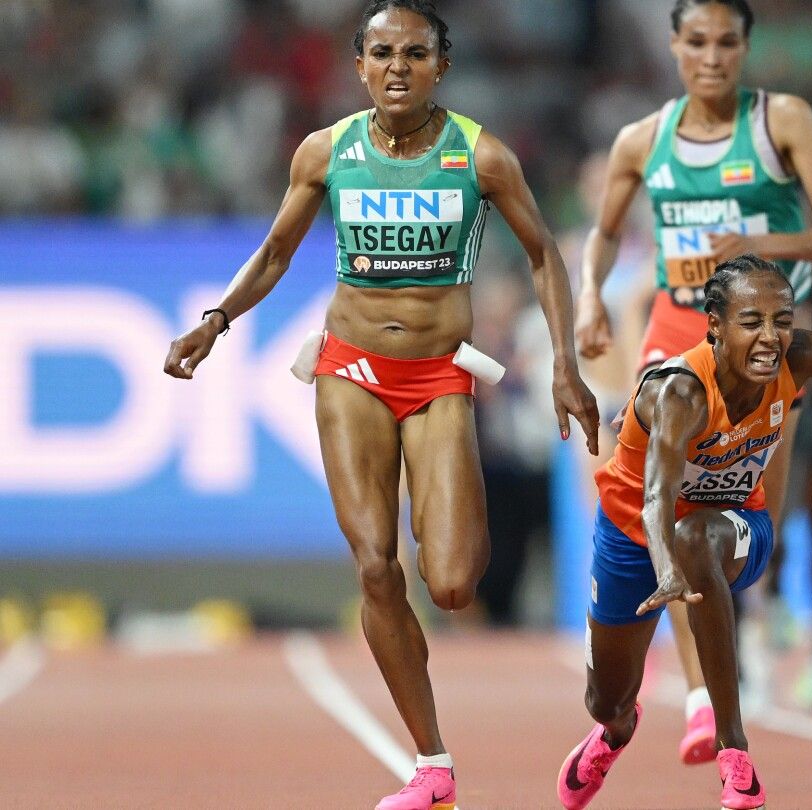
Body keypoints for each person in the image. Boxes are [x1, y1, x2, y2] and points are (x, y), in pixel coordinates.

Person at [163, 3, 600, 809]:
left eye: (416, 53)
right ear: (359, 65)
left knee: (455, 583)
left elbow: (545, 257)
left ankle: (438, 692)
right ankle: (432, 762)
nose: (399, 66)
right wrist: (215, 322)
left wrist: (566, 365)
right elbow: (274, 252)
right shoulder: (327, 152)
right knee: (373, 563)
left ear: (443, 65)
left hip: (437, 377)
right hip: (350, 368)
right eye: (383, 53)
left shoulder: (482, 155)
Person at [557, 255, 812, 810]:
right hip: (633, 533)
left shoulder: (798, 357)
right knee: (605, 699)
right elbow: (655, 500)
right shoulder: (681, 394)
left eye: (782, 320)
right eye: (752, 322)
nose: (771, 338)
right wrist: (665, 571)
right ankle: (616, 732)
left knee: (696, 538)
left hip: (734, 527)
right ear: (714, 327)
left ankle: (733, 751)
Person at [573, 0, 812, 762]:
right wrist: (591, 296)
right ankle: (702, 698)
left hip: (764, 350)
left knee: (758, 520)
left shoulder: (782, 122)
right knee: (663, 513)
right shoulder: (644, 140)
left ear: (745, 47)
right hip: (675, 336)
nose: (712, 56)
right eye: (696, 41)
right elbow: (602, 234)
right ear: (673, 46)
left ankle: (743, 634)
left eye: (727, 42)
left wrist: (755, 240)